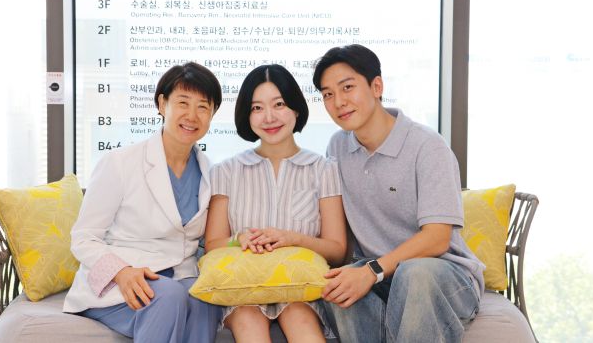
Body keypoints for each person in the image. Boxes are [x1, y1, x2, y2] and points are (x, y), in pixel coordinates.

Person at [312, 44, 485, 342]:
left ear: (377, 86)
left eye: (347, 87)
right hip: (382, 276)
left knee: (413, 274)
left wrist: (372, 271)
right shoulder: (337, 147)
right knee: (336, 290)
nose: (339, 102)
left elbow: (437, 238)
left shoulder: (427, 146)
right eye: (328, 94)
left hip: (443, 275)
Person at [63, 62, 223, 343]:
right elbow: (83, 238)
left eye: (203, 107)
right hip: (122, 283)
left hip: (179, 278)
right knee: (170, 296)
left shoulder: (210, 172)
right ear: (162, 104)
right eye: (183, 103)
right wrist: (121, 272)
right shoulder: (120, 163)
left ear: (212, 115)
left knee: (204, 297)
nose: (192, 115)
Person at [204, 64, 347, 343]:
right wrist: (239, 239)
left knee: (300, 319)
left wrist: (293, 239)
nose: (269, 117)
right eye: (257, 108)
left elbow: (337, 250)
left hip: (302, 291)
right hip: (242, 290)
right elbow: (212, 244)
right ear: (247, 115)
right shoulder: (226, 171)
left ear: (296, 108)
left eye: (279, 104)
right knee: (247, 320)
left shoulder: (323, 169)